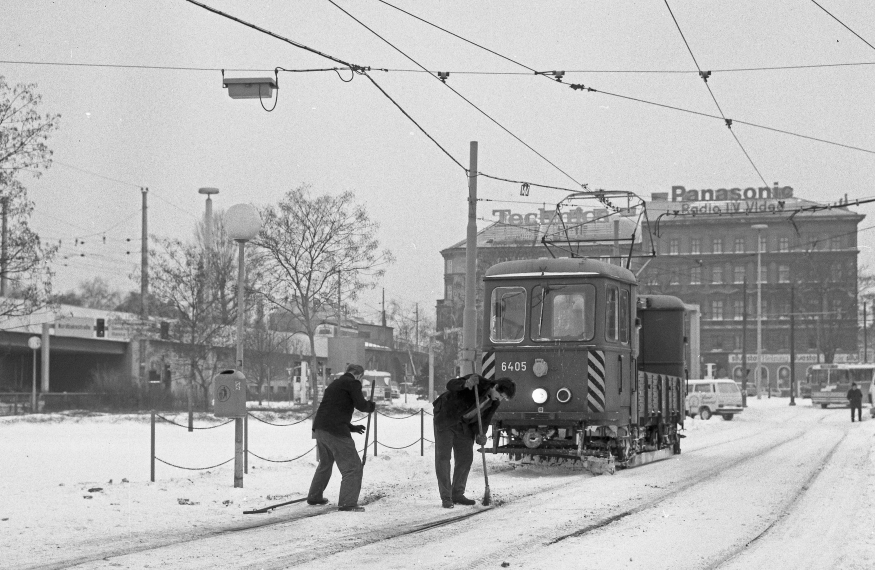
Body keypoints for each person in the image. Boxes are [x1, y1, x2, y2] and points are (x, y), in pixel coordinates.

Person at [433, 373, 516, 509]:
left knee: (465, 458)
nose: (499, 399)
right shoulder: (477, 381)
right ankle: (446, 497)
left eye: (503, 398)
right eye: (500, 395)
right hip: (446, 417)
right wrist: (465, 384)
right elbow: (450, 385)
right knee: (443, 457)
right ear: (496, 386)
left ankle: (457, 494)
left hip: (465, 425)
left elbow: (485, 419)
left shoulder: (494, 402)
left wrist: (480, 434)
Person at [307, 364, 375, 512]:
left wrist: (351, 427)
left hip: (320, 428)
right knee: (352, 467)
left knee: (325, 463)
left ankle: (314, 496)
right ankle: (347, 503)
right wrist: (371, 406)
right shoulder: (353, 383)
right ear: (358, 375)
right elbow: (361, 405)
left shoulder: (335, 384)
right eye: (361, 377)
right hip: (335, 431)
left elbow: (334, 409)